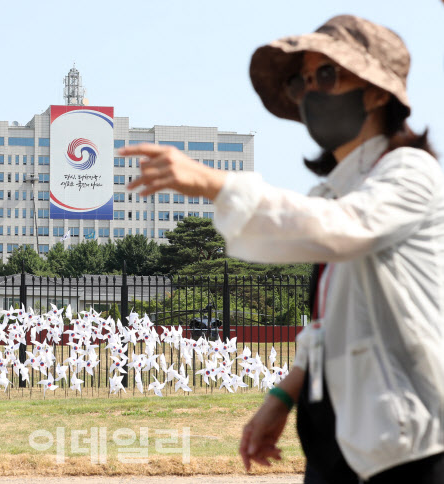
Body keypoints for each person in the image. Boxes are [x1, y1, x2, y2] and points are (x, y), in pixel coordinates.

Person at [120, 14, 444, 484]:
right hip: (339, 439)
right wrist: (283, 398)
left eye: (327, 75)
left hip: (407, 444)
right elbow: (330, 324)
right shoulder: (332, 194)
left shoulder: (410, 173)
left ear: (377, 92)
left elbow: (343, 229)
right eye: (300, 81)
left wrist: (215, 184)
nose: (310, 91)